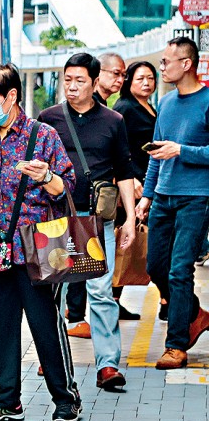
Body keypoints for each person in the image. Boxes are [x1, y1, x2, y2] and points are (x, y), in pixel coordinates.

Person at [0, 63, 83, 421]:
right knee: (0, 324)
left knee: (44, 324)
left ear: (11, 96)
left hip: (37, 247)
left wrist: (48, 177)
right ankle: (6, 400)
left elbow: (68, 188)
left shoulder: (42, 136)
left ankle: (65, 398)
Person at [38, 53, 136, 393]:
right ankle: (52, 356)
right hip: (57, 219)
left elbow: (124, 172)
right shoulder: (48, 120)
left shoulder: (113, 121)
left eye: (80, 80)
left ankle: (108, 365)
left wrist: (132, 219)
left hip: (97, 221)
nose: (72, 86)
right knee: (55, 291)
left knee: (100, 291)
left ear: (95, 82)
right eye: (67, 79)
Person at [135, 37, 209, 369]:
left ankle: (176, 344)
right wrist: (147, 197)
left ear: (187, 64)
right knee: (155, 266)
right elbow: (154, 156)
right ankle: (194, 314)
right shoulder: (164, 104)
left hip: (197, 197)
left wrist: (182, 151)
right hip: (163, 196)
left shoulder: (207, 101)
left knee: (180, 270)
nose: (161, 67)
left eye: (167, 62)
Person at [112, 60, 159, 319]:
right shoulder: (125, 108)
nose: (146, 83)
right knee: (127, 243)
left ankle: (164, 299)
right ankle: (113, 299)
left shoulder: (149, 106)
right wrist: (130, 180)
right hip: (135, 186)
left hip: (150, 182)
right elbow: (121, 149)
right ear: (129, 81)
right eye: (140, 78)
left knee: (142, 244)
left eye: (150, 78)